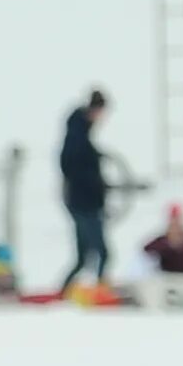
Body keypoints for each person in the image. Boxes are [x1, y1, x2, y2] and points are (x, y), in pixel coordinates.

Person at [59, 89, 111, 293]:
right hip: (85, 205)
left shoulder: (81, 137)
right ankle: (99, 291)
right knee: (102, 253)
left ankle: (63, 291)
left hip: (84, 203)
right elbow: (73, 170)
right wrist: (96, 183)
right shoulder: (77, 139)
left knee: (83, 258)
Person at [141, 204, 183, 275]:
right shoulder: (159, 243)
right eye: (173, 222)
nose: (176, 226)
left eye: (178, 221)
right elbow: (145, 253)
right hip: (165, 281)